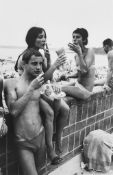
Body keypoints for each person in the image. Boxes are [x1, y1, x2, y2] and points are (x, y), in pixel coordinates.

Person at [14, 27, 69, 164]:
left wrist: (54, 77)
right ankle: (50, 149)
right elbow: (40, 78)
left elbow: (46, 76)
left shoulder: (41, 54)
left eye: (44, 36)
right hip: (30, 90)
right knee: (50, 113)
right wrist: (55, 66)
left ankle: (57, 137)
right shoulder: (25, 56)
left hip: (41, 87)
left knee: (65, 109)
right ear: (32, 38)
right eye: (39, 37)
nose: (43, 39)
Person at [4, 49, 47, 175]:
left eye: (40, 63)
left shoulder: (39, 83)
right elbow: (13, 111)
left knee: (40, 173)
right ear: (24, 64)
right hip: (24, 141)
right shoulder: (12, 83)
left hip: (40, 135)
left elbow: (47, 107)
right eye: (34, 63)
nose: (39, 67)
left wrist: (52, 93)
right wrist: (31, 88)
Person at [60, 28, 95, 99]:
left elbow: (84, 71)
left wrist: (79, 53)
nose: (74, 39)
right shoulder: (76, 55)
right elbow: (79, 73)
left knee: (59, 89)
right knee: (56, 87)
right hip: (78, 85)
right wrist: (68, 76)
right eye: (73, 37)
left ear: (84, 40)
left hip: (85, 91)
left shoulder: (90, 51)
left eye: (78, 37)